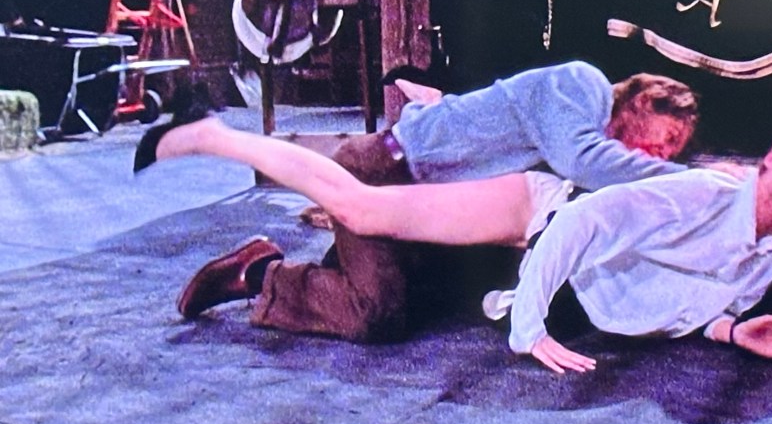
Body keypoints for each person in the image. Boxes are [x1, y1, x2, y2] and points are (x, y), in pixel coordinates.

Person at [142, 115, 772, 373]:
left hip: (523, 267)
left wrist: (728, 329)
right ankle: (212, 135)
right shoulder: (705, 194)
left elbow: (678, 293)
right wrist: (527, 332)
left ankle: (260, 272)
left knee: (380, 310)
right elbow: (580, 226)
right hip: (534, 214)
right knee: (360, 206)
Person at [136, 61, 700, 341]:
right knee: (375, 314)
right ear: (645, 100)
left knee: (420, 301)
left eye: (674, 151)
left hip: (419, 195)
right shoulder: (583, 86)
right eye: (668, 136)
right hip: (382, 172)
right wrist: (690, 181)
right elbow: (582, 161)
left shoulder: (585, 130)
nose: (662, 153)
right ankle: (260, 274)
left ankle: (307, 266)